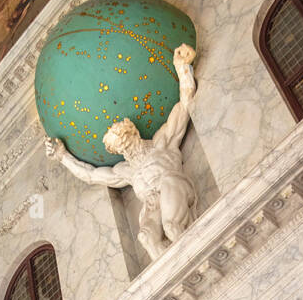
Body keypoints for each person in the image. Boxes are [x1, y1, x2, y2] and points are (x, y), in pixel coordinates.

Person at [45, 43, 197, 260]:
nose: (126, 150)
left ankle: (191, 259)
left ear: (134, 133)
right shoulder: (126, 171)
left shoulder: (160, 143)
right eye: (120, 148)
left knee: (172, 227)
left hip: (174, 187)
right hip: (153, 206)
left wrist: (182, 68)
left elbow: (184, 106)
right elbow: (90, 175)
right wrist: (62, 156)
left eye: (126, 142)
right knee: (145, 237)